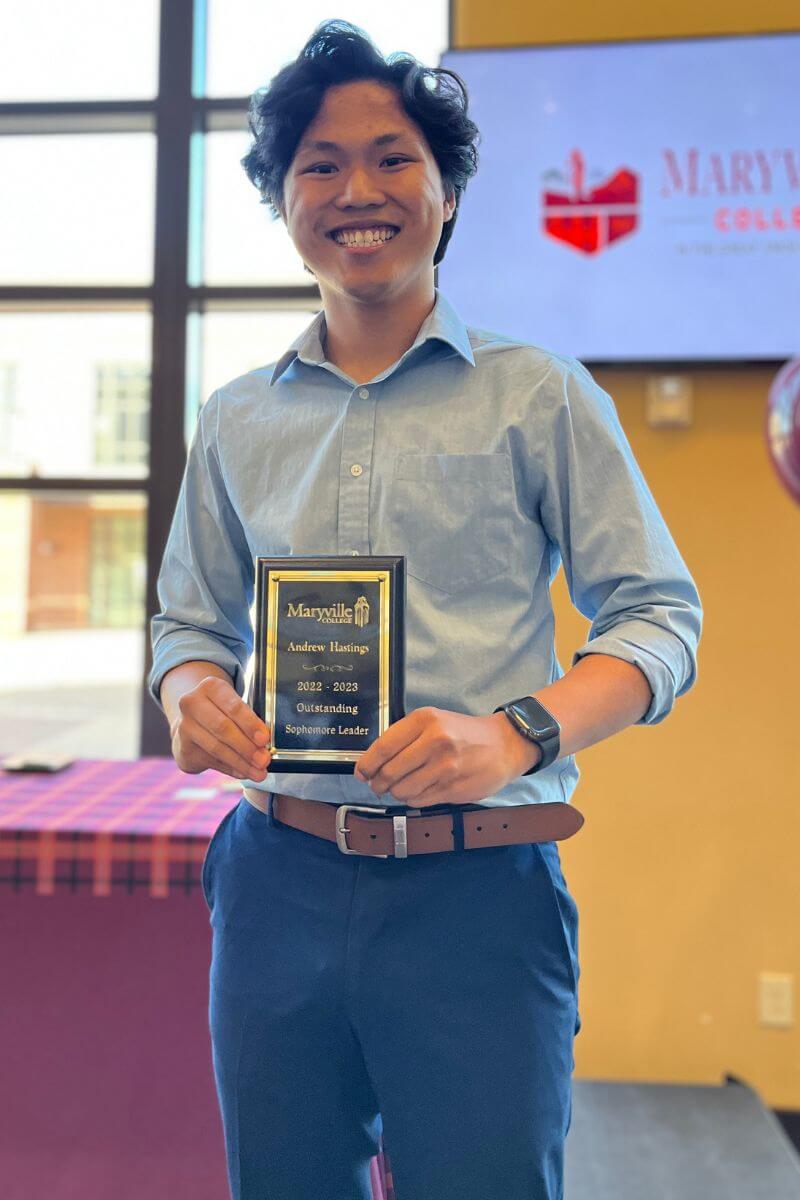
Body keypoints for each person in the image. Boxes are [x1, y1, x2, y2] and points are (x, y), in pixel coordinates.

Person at [148, 20, 702, 1200]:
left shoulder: (539, 394)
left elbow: (657, 618)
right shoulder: (238, 419)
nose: (357, 190)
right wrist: (192, 696)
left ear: (447, 192)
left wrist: (513, 735)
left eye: (393, 157)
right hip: (274, 877)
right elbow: (186, 626)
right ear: (282, 200)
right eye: (318, 164)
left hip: (478, 894)